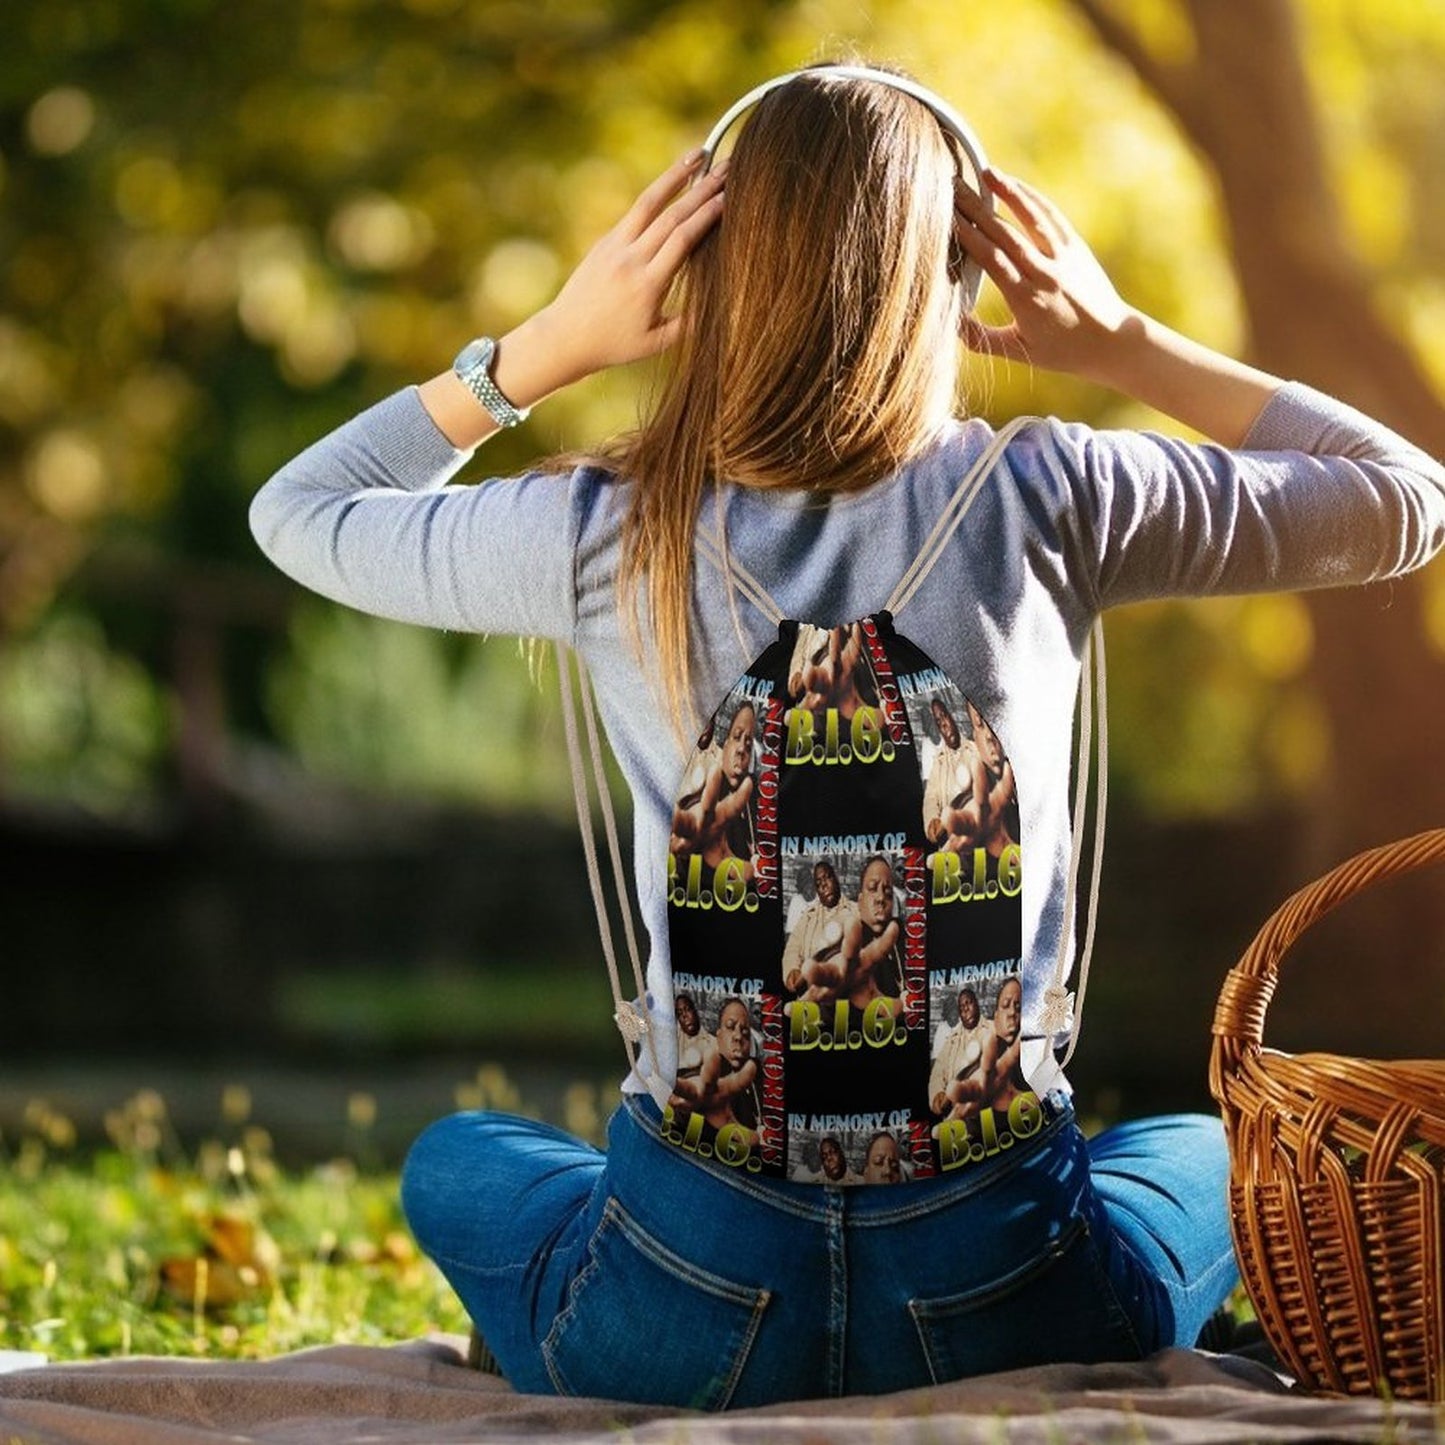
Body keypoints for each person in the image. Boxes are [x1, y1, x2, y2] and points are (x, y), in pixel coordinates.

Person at [250, 63, 1445, 1408]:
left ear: (703, 274)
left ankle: (592, 1300)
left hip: (686, 1306)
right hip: (1009, 1305)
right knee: (1196, 1151)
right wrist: (1122, 343)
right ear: (963, 276)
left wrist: (547, 348)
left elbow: (298, 513)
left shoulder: (599, 529)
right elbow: (1407, 497)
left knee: (461, 1156)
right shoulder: (1056, 495)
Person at [921, 697, 990, 851]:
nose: (944, 724)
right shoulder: (938, 762)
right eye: (938, 722)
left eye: (944, 717)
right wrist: (932, 820)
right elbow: (930, 798)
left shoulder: (975, 749)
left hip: (980, 839)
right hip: (953, 846)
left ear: (951, 717)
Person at [781, 860, 859, 995]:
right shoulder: (808, 916)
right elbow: (793, 946)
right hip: (809, 996)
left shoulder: (856, 911)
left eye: (827, 877)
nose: (824, 885)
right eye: (818, 883)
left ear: (836, 878)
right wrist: (792, 969)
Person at [928, 985, 991, 1118]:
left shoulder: (992, 1029)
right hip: (954, 1119)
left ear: (977, 1004)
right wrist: (937, 1093)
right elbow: (938, 1069)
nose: (966, 1009)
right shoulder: (952, 1039)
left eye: (969, 1003)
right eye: (961, 1007)